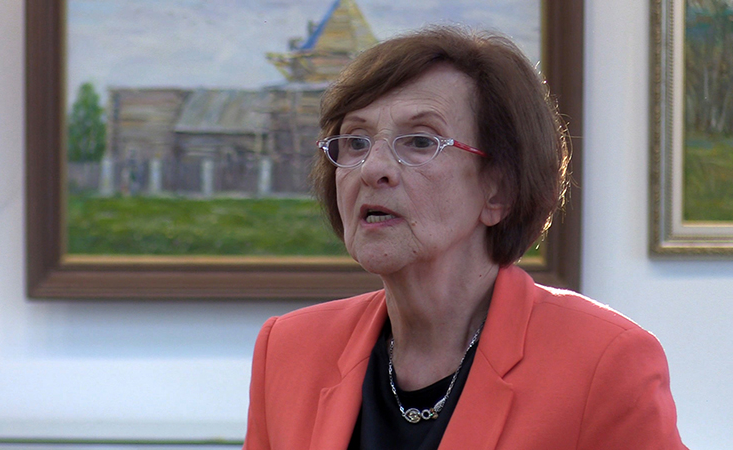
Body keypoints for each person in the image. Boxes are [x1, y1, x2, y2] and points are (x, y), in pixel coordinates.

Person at [243, 27, 686, 449]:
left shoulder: (603, 361)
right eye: (356, 142)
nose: (373, 168)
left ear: (499, 191)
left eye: (420, 141)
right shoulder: (289, 348)